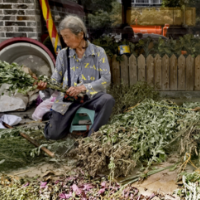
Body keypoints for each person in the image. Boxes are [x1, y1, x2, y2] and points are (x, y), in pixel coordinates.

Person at [37, 15, 115, 140]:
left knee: (107, 99)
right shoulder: (63, 54)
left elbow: (106, 80)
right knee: (53, 135)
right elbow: (55, 79)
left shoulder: (98, 52)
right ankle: (50, 117)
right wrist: (46, 85)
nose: (65, 41)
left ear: (80, 35)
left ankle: (92, 138)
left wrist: (82, 88)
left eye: (67, 36)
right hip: (68, 99)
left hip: (91, 97)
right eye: (63, 37)